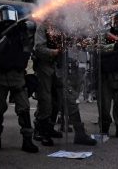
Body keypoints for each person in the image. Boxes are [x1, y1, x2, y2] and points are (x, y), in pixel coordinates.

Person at [33, 17, 97, 146]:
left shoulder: (65, 28)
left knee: (68, 98)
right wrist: (56, 52)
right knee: (46, 101)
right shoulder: (43, 27)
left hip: (61, 67)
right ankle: (43, 132)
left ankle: (79, 133)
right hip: (45, 68)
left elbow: (74, 45)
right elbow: (39, 49)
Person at [0, 5, 38, 153]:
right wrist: (9, 34)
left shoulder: (21, 31)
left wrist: (22, 31)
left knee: (24, 108)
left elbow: (28, 48)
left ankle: (27, 140)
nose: (7, 18)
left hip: (17, 75)